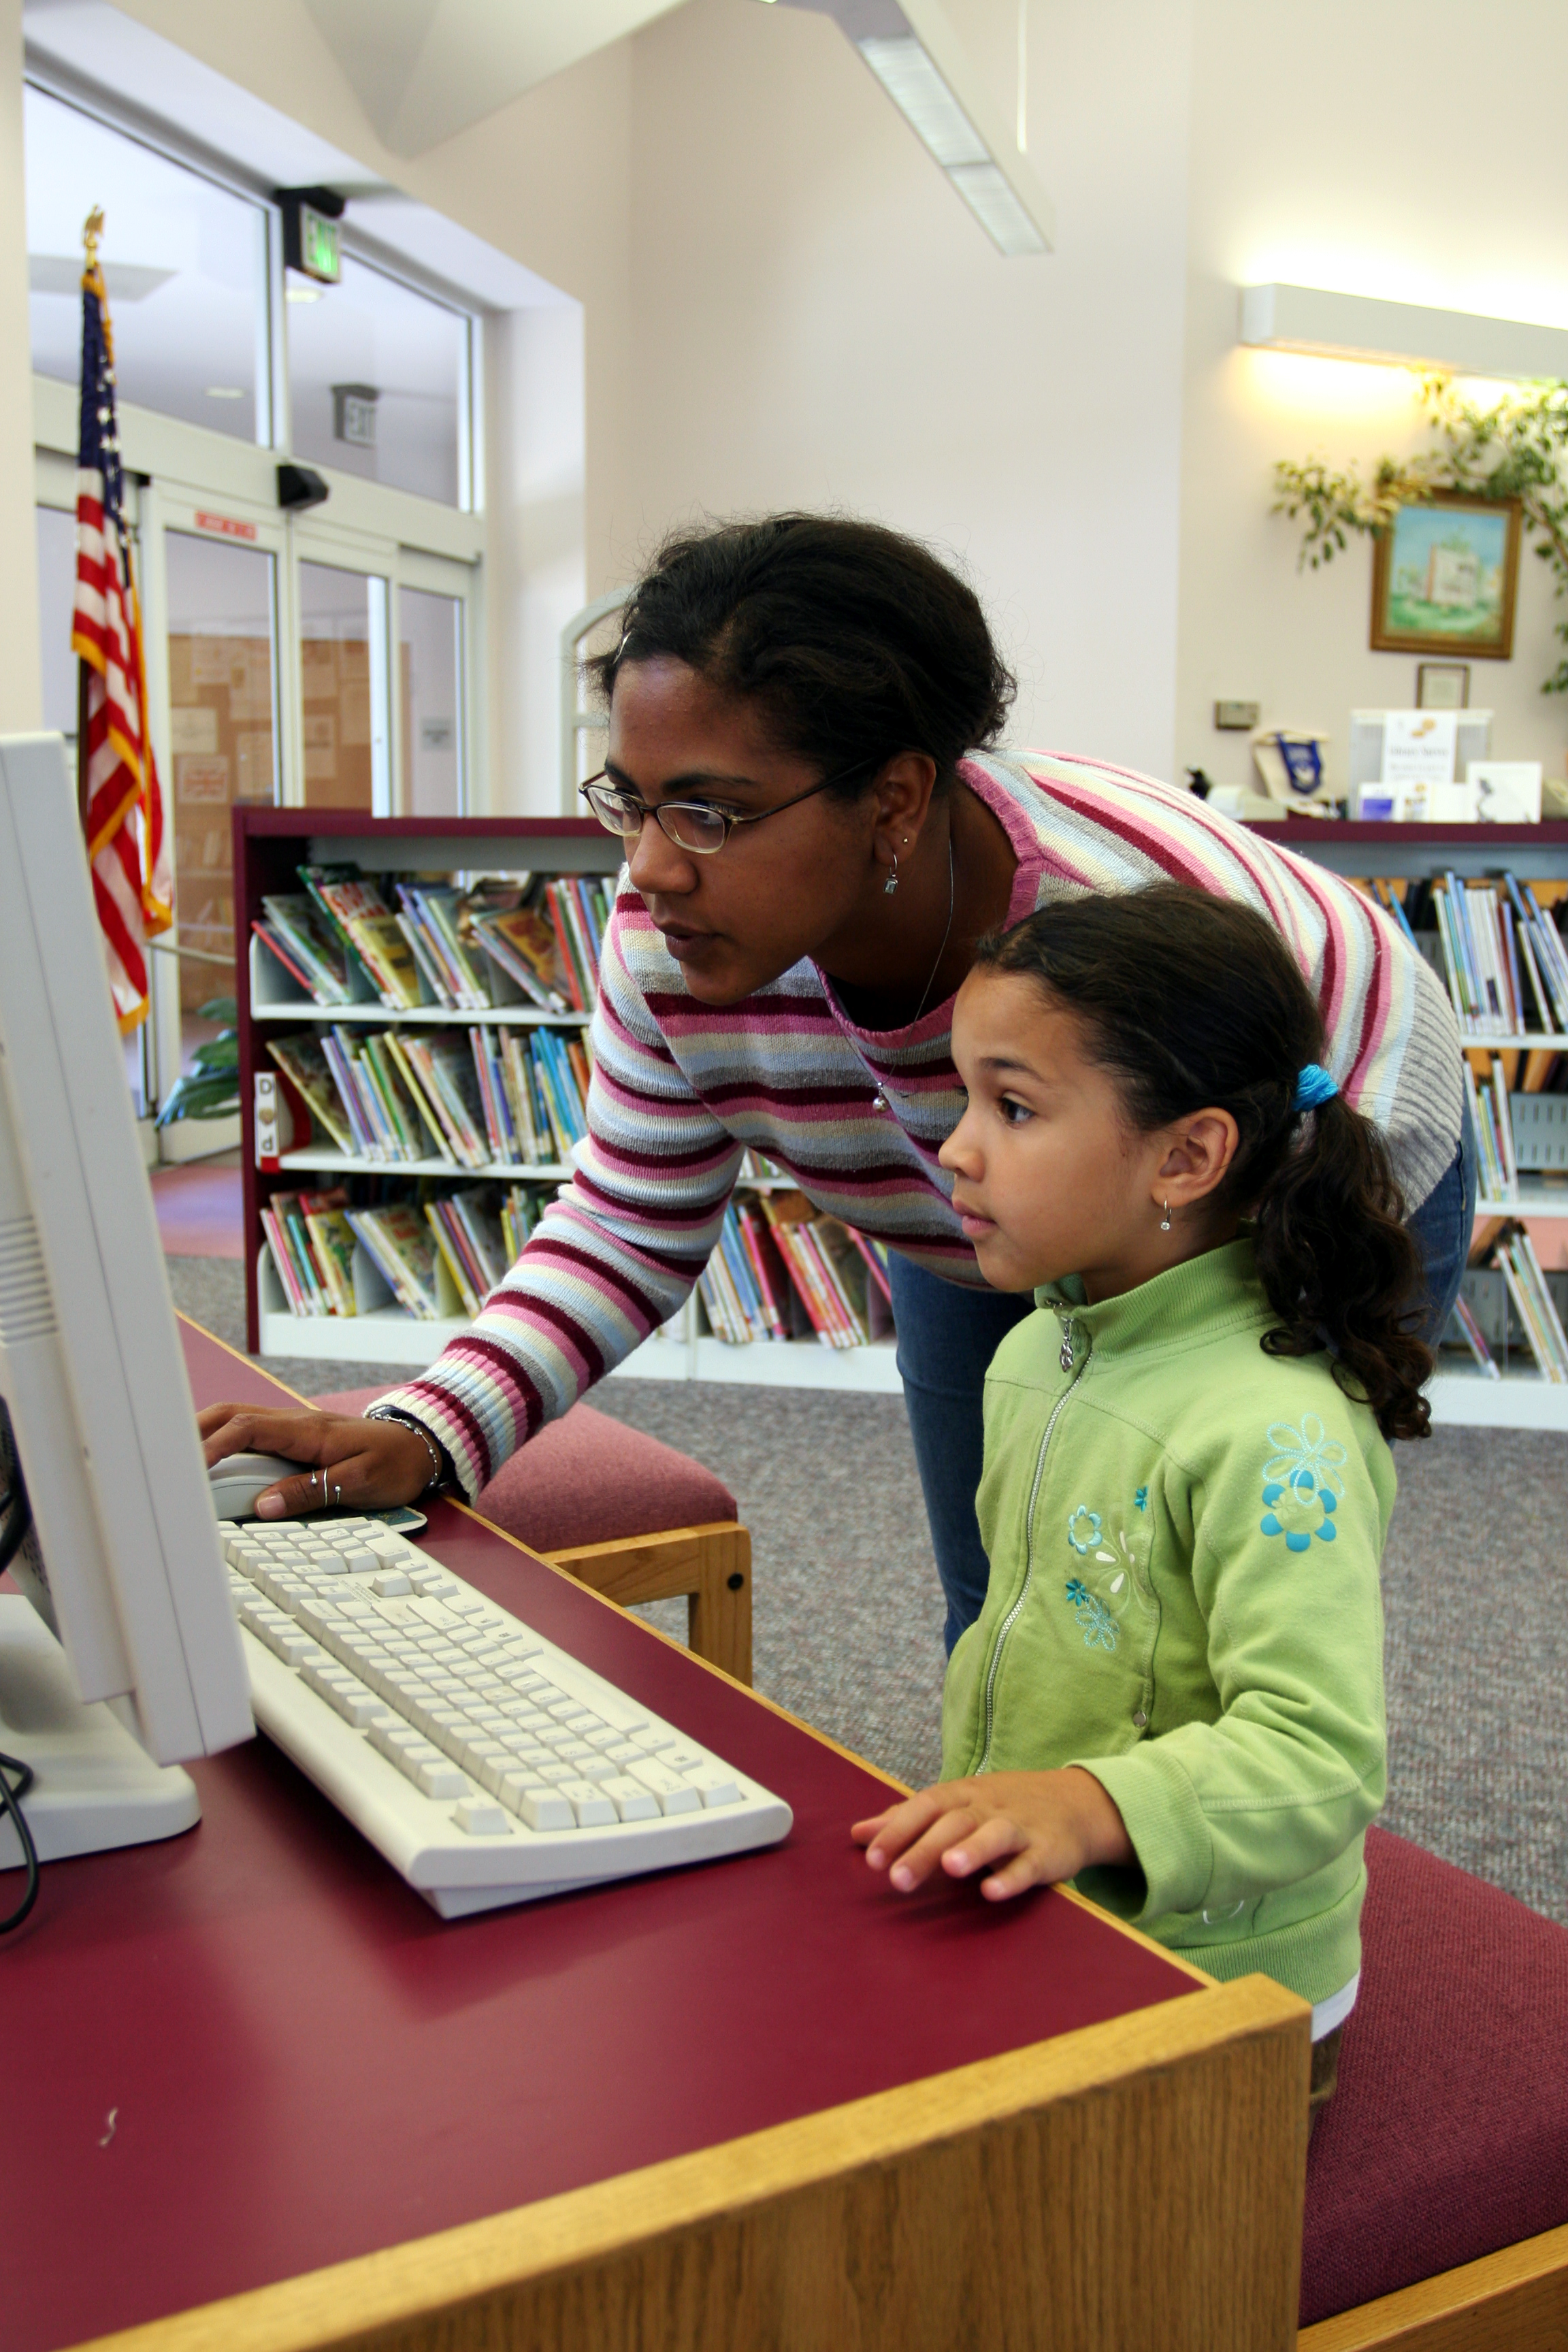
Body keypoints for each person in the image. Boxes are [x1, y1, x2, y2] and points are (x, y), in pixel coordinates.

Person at [200, 515, 1470, 1655]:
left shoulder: (1123, 926)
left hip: (1299, 1147)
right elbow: (629, 1220)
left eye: (707, 812)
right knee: (1004, 1603)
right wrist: (429, 1431)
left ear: (897, 800)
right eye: (629, 804)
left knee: (1183, 1619)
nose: (648, 871)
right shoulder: (671, 948)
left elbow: (1231, 1267)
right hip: (993, 1212)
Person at [853, 883, 1428, 2123]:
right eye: (963, 1099)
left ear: (1187, 1155)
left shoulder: (1280, 1436)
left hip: (1223, 1985)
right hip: (1059, 1902)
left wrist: (1085, 1802)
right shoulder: (1034, 1353)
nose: (954, 1148)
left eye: (1013, 1107)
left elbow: (1321, 1758)